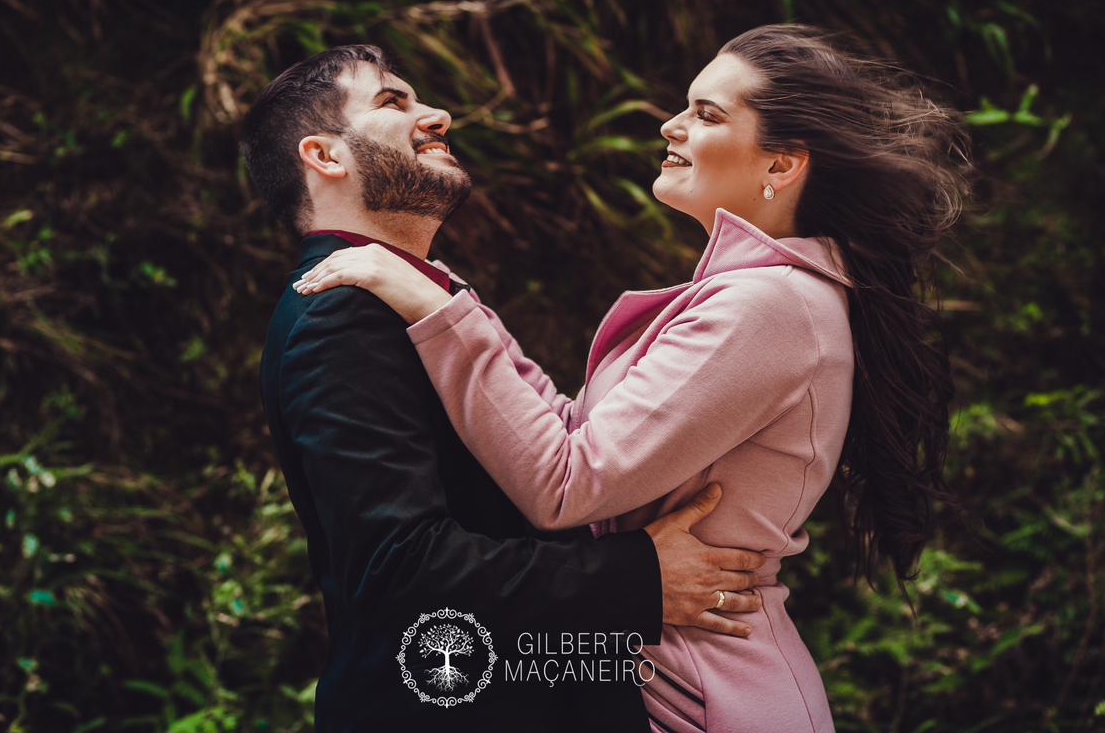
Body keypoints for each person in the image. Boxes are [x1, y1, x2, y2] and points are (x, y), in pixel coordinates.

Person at [297, 25, 968, 733]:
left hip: (707, 696)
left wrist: (436, 306)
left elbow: (566, 482)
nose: (671, 125)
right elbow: (571, 432)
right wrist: (443, 296)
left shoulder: (767, 306)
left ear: (781, 165)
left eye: (707, 114)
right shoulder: (757, 296)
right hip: (657, 674)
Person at [242, 44, 768, 733]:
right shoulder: (340, 312)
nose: (439, 115)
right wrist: (639, 577)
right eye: (393, 102)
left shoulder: (408, 297)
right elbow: (398, 572)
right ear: (325, 157)